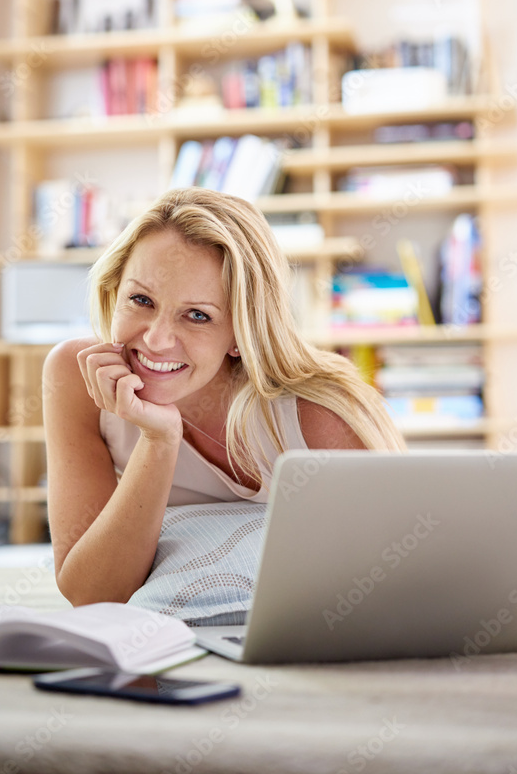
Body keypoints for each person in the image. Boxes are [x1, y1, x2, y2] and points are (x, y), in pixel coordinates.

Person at [43, 187, 406, 606]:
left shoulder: (320, 415)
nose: (157, 340)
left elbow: (396, 579)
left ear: (240, 333)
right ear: (113, 293)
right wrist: (159, 441)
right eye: (141, 300)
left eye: (197, 315)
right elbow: (92, 595)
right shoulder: (76, 375)